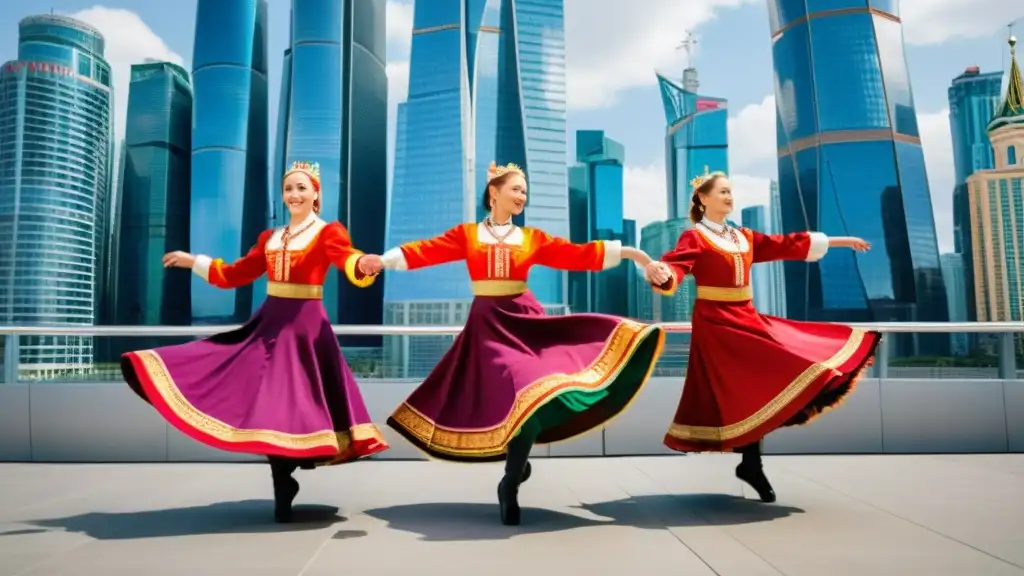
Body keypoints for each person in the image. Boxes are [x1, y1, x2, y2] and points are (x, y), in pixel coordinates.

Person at [358, 161, 665, 526]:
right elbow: (426, 250)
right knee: (514, 391)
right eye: (516, 189)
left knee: (531, 392)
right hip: (488, 327)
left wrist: (637, 256)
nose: (522, 196)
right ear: (494, 192)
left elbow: (578, 254)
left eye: (524, 190)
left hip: (526, 323)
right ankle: (515, 473)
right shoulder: (467, 235)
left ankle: (510, 480)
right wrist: (383, 260)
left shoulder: (532, 239)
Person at [120, 160, 390, 523]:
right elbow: (236, 274)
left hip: (306, 329)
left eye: (301, 188)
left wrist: (364, 265)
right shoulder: (270, 238)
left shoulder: (329, 232)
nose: (294, 194)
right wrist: (193, 261)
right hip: (269, 326)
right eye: (288, 189)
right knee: (267, 405)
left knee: (295, 406)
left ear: (316, 196)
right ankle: (283, 481)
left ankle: (286, 478)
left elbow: (347, 260)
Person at [643, 169, 879, 503]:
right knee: (743, 390)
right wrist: (660, 271)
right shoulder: (694, 238)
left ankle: (751, 464)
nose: (728, 197)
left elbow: (786, 244)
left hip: (747, 318)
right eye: (722, 192)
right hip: (717, 326)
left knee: (768, 380)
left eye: (729, 192)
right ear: (703, 199)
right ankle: (752, 464)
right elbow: (675, 269)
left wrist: (842, 241)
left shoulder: (744, 237)